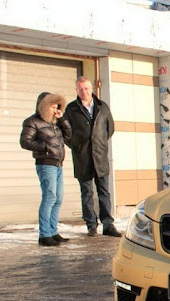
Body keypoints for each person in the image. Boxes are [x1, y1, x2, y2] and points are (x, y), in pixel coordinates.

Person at [64, 76, 121, 237]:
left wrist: (99, 143)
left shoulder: (102, 107)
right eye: (80, 89)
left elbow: (109, 129)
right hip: (82, 158)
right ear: (77, 90)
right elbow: (66, 133)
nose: (84, 91)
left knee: (104, 192)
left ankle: (108, 225)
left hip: (100, 157)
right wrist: (77, 145)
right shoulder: (71, 109)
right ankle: (91, 225)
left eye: (86, 88)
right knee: (87, 193)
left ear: (92, 89)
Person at [20, 92, 72, 246]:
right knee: (49, 197)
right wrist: (44, 147)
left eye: (57, 107)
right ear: (43, 106)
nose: (55, 110)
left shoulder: (55, 123)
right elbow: (25, 141)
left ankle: (53, 231)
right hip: (45, 163)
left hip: (58, 164)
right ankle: (44, 234)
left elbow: (69, 137)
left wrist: (62, 119)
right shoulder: (32, 121)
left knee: (58, 198)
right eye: (52, 107)